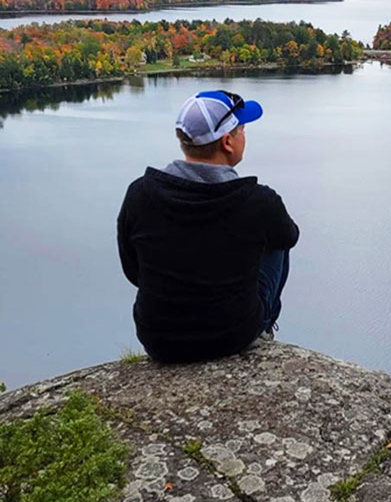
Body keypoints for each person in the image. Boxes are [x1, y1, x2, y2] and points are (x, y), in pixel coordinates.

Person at [117, 90, 299, 362]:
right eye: (242, 130)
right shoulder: (259, 201)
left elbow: (134, 272)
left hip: (159, 339)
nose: (244, 136)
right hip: (234, 334)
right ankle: (264, 330)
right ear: (228, 142)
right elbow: (290, 236)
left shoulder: (139, 193)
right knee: (279, 240)